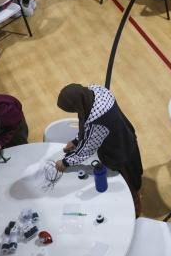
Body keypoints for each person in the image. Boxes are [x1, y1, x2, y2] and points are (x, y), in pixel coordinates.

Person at [53, 84, 144, 214]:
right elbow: (86, 121)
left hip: (119, 151)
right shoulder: (96, 91)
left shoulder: (97, 120)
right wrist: (76, 141)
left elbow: (87, 149)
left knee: (128, 183)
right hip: (126, 135)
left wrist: (65, 162)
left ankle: (135, 207)